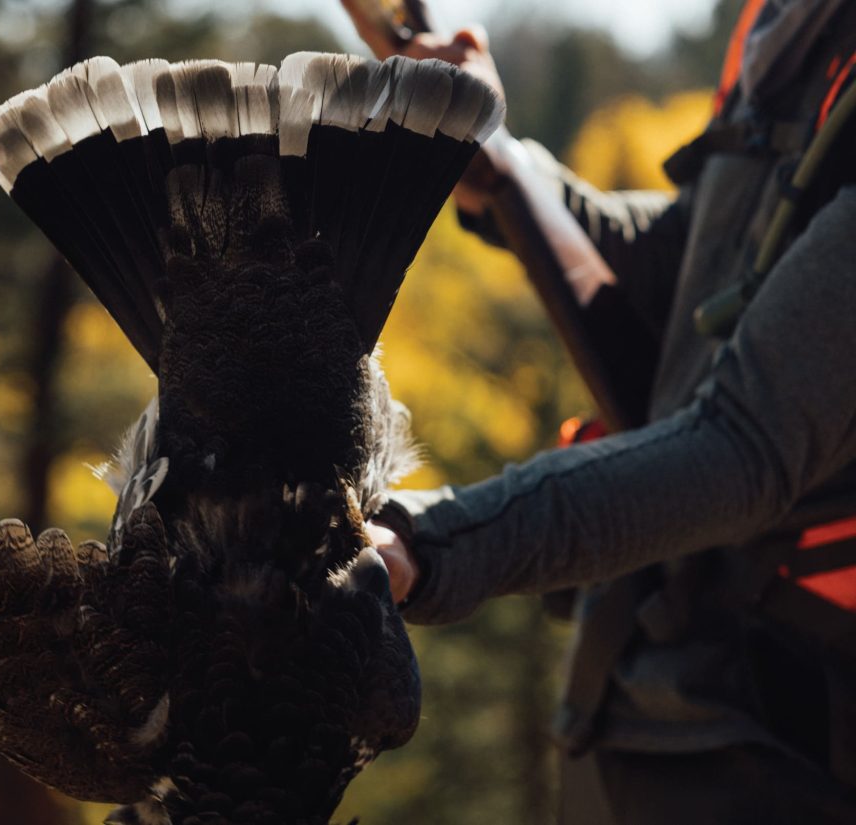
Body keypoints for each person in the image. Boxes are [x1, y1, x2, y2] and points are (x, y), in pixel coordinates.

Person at [343, 1, 856, 822]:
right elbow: (691, 260)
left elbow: (742, 450)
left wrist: (426, 541)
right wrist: (499, 160)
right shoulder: (793, 31)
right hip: (641, 711)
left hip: (781, 750)